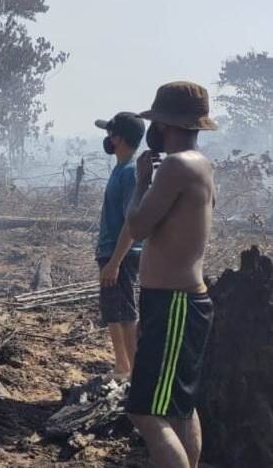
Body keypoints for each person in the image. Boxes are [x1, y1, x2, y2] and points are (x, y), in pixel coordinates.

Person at [125, 82, 218, 468]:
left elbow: (138, 226)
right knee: (179, 409)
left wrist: (140, 182)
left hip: (173, 305)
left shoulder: (177, 166)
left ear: (164, 124)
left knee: (145, 413)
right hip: (182, 302)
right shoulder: (200, 163)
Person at [93, 112, 145, 380]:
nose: (107, 139)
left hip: (120, 254)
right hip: (111, 253)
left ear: (119, 138)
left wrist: (115, 262)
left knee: (125, 314)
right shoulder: (120, 167)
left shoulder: (129, 173)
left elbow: (132, 222)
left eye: (110, 134)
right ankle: (122, 367)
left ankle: (135, 376)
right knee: (114, 312)